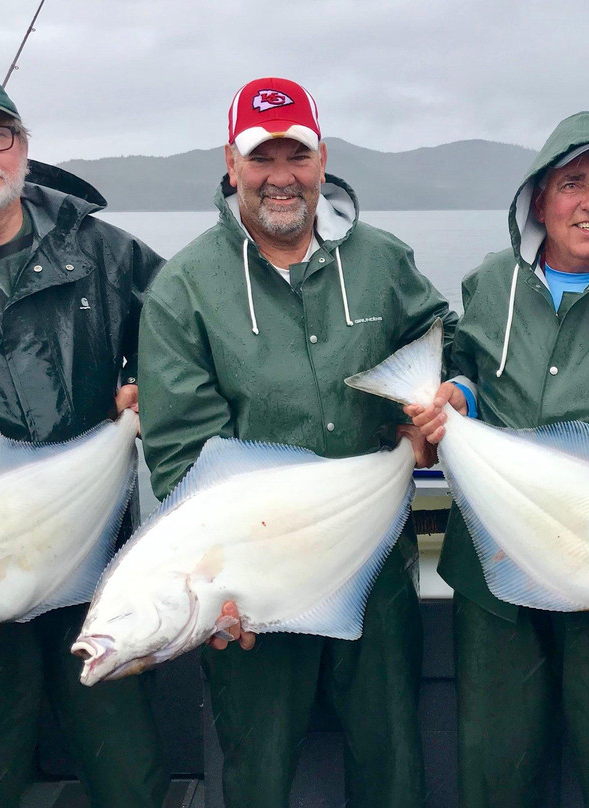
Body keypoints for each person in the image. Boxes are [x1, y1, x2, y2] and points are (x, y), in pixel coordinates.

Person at [137, 76, 456, 807]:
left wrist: (447, 400)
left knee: (392, 758)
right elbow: (184, 457)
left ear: (322, 157)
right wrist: (216, 585)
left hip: (374, 562)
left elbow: (444, 340)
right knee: (257, 769)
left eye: (297, 155)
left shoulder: (383, 260)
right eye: (261, 157)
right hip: (258, 583)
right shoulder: (182, 289)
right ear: (231, 162)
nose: (281, 177)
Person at [407, 111, 589, 808]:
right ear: (539, 198)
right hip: (492, 567)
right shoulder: (487, 284)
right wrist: (457, 392)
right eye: (573, 183)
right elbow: (467, 370)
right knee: (495, 767)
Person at [0, 72, 167, 807]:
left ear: (24, 148)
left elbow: (180, 338)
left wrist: (147, 384)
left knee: (127, 764)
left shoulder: (104, 250)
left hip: (93, 554)